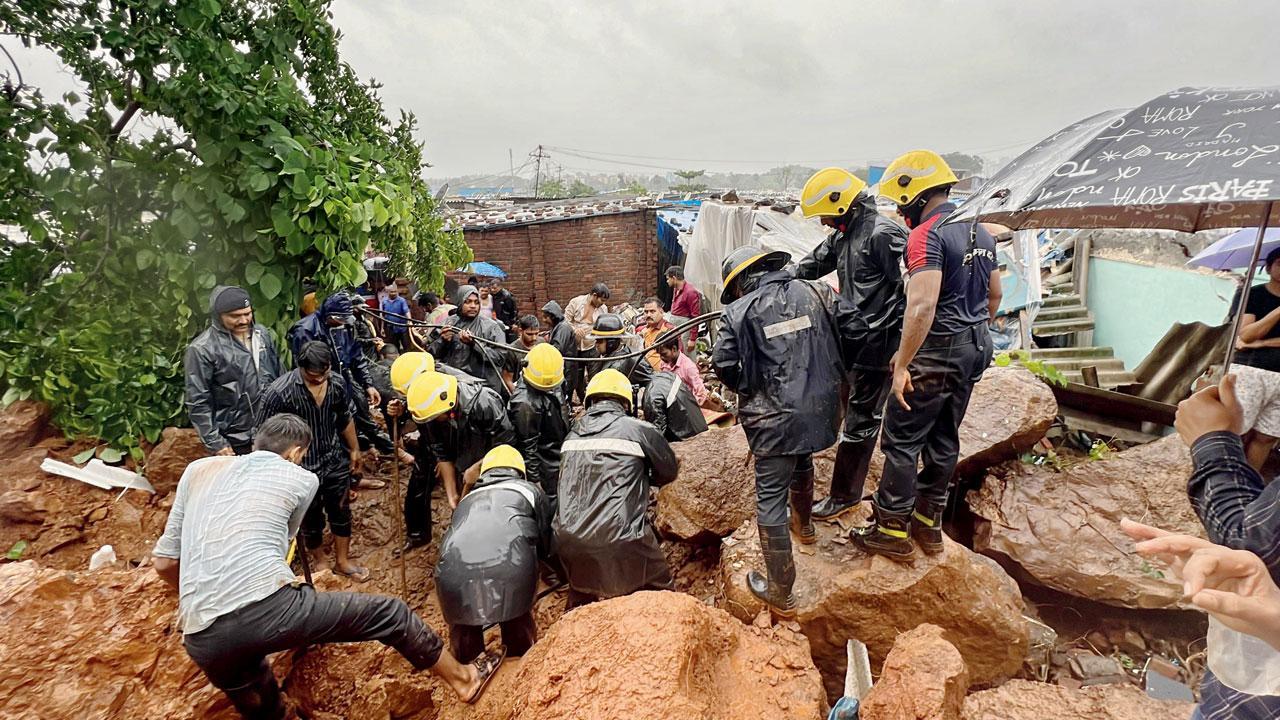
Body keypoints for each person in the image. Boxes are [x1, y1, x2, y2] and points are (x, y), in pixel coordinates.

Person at [153, 413, 503, 718]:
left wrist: (206, 598)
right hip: (267, 608)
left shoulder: (197, 470)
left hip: (201, 635)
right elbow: (286, 545)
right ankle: (465, 679)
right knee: (390, 613)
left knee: (262, 704)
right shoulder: (302, 479)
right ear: (296, 453)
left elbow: (165, 563)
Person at [852, 150, 1000, 562]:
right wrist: (972, 333)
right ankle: (928, 522)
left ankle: (891, 531)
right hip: (975, 343)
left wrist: (902, 364)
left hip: (937, 348)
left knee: (902, 440)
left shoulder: (927, 235)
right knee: (944, 435)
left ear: (915, 195)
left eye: (902, 204)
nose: (901, 215)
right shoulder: (979, 231)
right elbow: (995, 296)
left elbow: (921, 307)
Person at [713, 244, 861, 617]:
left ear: (742, 281)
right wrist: (834, 372)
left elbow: (724, 363)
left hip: (772, 417)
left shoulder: (737, 312)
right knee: (803, 458)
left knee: (769, 499)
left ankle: (782, 590)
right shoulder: (818, 291)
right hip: (822, 409)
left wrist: (750, 386)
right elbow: (857, 329)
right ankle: (805, 526)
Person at [793, 167, 910, 522]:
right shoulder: (845, 234)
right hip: (852, 342)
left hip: (879, 347)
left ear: (842, 205)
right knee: (838, 406)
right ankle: (837, 473)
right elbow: (811, 265)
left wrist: (901, 352)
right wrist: (775, 282)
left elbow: (912, 293)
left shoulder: (884, 234)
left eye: (826, 214)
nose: (824, 222)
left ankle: (845, 496)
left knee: (862, 421)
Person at [554, 369, 679, 608]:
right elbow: (669, 471)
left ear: (591, 401)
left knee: (582, 595)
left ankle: (574, 632)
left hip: (568, 539)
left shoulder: (571, 436)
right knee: (663, 591)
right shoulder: (639, 430)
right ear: (625, 401)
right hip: (624, 538)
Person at [256, 342, 368, 582]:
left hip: (333, 457)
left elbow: (345, 417)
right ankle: (319, 560)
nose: (319, 380)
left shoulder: (336, 383)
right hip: (300, 465)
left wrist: (355, 450)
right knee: (309, 516)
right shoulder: (279, 392)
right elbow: (264, 434)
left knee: (341, 509)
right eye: (313, 376)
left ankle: (343, 560)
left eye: (324, 374)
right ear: (301, 368)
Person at [436, 445, 551, 663]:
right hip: (510, 567)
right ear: (519, 471)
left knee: (464, 626)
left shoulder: (467, 499)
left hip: (450, 573)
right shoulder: (530, 490)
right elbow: (545, 540)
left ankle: (467, 667)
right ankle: (520, 659)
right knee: (516, 618)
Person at [287, 293, 394, 458]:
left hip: (343, 378)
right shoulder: (306, 330)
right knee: (329, 425)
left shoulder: (346, 326)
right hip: (319, 383)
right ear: (330, 315)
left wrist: (368, 384)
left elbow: (356, 356)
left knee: (356, 413)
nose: (342, 324)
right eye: (339, 320)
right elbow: (305, 365)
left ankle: (366, 455)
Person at [184, 285, 284, 456]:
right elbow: (198, 402)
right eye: (235, 316)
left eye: (248, 313)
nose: (244, 320)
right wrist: (216, 443)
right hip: (232, 439)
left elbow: (280, 376)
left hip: (271, 432)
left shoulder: (262, 334)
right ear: (219, 316)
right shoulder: (203, 349)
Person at [406, 369, 515, 510]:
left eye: (435, 418)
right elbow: (441, 451)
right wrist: (452, 494)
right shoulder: (430, 412)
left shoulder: (485, 403)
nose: (431, 421)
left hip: (495, 468)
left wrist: (478, 467)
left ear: (449, 406)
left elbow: (507, 446)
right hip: (462, 464)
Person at [508, 344, 571, 505]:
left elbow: (563, 406)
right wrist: (535, 482)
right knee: (549, 507)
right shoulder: (524, 403)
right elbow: (528, 448)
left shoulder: (554, 378)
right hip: (545, 465)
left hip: (560, 454)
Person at [427, 284, 509, 400]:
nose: (473, 306)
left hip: (483, 389)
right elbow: (429, 354)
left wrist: (474, 345)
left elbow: (500, 357)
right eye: (468, 302)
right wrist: (442, 340)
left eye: (476, 302)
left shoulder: (491, 327)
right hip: (454, 387)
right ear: (460, 302)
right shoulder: (448, 323)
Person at [564, 283, 610, 403]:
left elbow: (603, 327)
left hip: (592, 346)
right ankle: (583, 400)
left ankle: (594, 402)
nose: (602, 303)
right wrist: (575, 330)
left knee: (595, 377)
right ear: (594, 295)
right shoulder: (576, 302)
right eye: (601, 300)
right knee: (577, 379)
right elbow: (565, 321)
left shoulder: (603, 309)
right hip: (576, 347)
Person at [586, 312, 653, 390]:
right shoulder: (602, 356)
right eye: (596, 340)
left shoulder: (631, 359)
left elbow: (653, 380)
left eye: (600, 341)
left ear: (611, 342)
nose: (596, 344)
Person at [642, 367, 709, 442]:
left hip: (684, 440)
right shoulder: (668, 376)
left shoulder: (652, 394)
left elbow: (658, 432)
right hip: (699, 428)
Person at [656, 337, 708, 406]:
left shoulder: (688, 367)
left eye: (664, 354)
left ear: (674, 349)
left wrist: (691, 408)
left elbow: (701, 393)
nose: (661, 358)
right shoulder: (664, 363)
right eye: (660, 355)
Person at [665, 266, 703, 354]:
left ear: (674, 278)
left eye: (668, 279)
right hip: (676, 329)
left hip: (685, 330)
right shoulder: (676, 289)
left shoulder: (690, 292)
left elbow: (695, 317)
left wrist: (692, 339)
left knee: (687, 356)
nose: (667, 281)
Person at [502, 315, 543, 393]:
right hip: (520, 390)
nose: (534, 338)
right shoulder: (512, 350)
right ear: (521, 331)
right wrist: (518, 397)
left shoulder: (541, 343)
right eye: (529, 334)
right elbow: (507, 379)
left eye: (536, 333)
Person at [637, 297, 675, 371]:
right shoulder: (644, 330)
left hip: (664, 375)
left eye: (652, 311)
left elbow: (676, 357)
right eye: (646, 312)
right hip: (646, 372)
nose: (648, 315)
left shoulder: (668, 330)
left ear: (661, 312)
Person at [380, 283, 410, 352]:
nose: (393, 293)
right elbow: (382, 315)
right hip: (391, 328)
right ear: (388, 292)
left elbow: (407, 312)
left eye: (395, 291)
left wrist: (409, 322)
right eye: (391, 292)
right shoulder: (384, 301)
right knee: (394, 346)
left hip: (402, 327)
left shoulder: (402, 301)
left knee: (405, 345)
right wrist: (382, 328)